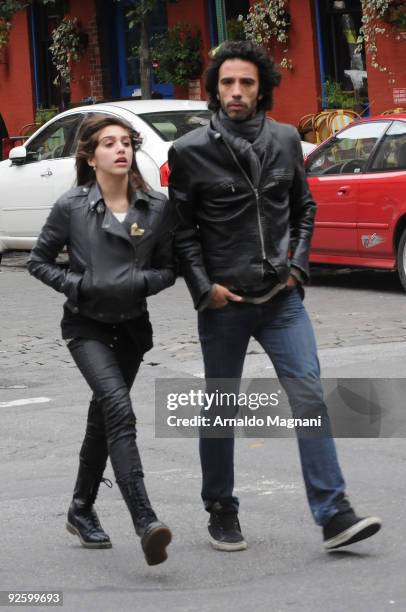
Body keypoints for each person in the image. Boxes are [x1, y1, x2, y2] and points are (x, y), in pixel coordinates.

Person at [168, 40, 381, 552]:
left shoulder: (286, 140)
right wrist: (204, 289)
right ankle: (221, 507)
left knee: (309, 394)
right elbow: (181, 232)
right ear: (214, 90)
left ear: (261, 87)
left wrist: (299, 267)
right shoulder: (191, 150)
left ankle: (334, 513)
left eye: (245, 82)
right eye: (227, 83)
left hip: (281, 299)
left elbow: (305, 208)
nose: (236, 92)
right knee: (222, 405)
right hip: (225, 302)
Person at [28, 115, 174, 566]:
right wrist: (80, 285)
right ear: (91, 158)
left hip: (131, 329)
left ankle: (80, 508)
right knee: (118, 410)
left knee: (102, 418)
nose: (120, 149)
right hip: (86, 327)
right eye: (108, 144)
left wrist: (140, 281)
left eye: (126, 142)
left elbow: (170, 267)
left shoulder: (155, 207)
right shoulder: (71, 206)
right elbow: (38, 261)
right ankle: (145, 519)